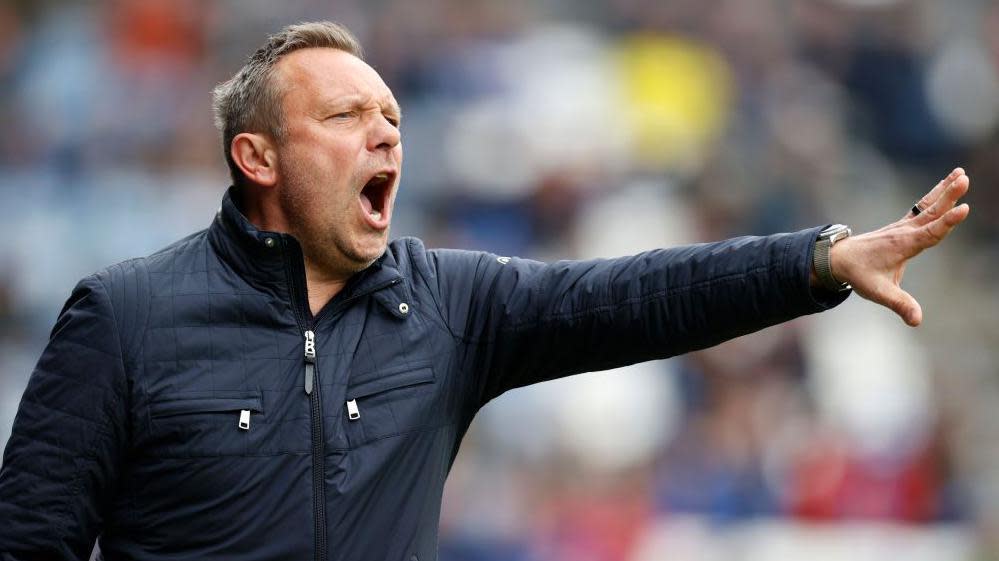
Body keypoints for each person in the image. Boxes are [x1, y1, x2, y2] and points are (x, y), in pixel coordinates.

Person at [0, 21, 971, 561]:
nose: (387, 134)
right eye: (346, 115)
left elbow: (635, 294)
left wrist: (816, 261)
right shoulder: (126, 315)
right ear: (256, 155)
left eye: (391, 115)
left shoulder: (447, 307)